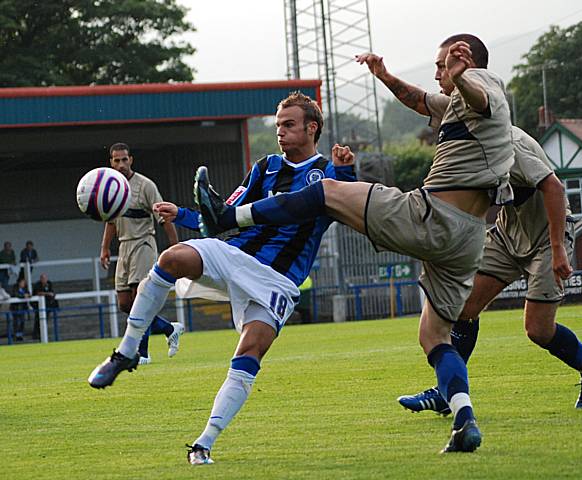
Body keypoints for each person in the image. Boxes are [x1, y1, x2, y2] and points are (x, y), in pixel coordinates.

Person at [194, 34, 515, 453]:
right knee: (435, 336)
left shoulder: (482, 83)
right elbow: (420, 100)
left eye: (442, 65)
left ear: (466, 61)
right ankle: (464, 419)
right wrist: (383, 75)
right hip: (467, 240)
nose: (438, 73)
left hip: (432, 215)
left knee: (326, 191)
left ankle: (228, 216)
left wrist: (463, 75)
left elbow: (481, 97)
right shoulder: (455, 105)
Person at [88, 92, 357, 465]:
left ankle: (203, 444)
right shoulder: (265, 167)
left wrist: (346, 172)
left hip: (278, 281)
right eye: (278, 124)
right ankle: (126, 352)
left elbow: (348, 204)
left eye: (288, 124)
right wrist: (181, 213)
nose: (280, 131)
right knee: (171, 258)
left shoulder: (328, 172)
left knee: (248, 353)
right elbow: (224, 214)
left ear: (312, 128)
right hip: (236, 255)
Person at [397, 127, 582, 415]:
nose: (438, 79)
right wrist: (386, 78)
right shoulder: (470, 142)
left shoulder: (510, 144)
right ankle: (447, 392)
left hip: (548, 236)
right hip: (508, 233)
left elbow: (555, 188)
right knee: (462, 306)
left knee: (538, 330)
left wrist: (558, 247)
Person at [99, 142, 183, 364]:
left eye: (124, 159)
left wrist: (175, 247)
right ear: (111, 162)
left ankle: (142, 353)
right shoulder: (110, 187)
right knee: (124, 304)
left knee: (140, 299)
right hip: (124, 246)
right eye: (116, 160)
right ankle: (168, 328)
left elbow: (164, 216)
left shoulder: (145, 186)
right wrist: (105, 248)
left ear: (131, 160)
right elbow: (110, 222)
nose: (121, 164)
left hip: (143, 244)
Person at [32, 273, 59, 341]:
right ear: (40, 279)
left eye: (45, 278)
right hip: (38, 305)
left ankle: (42, 333)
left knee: (45, 319)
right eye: (43, 278)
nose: (44, 280)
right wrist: (47, 294)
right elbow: (38, 293)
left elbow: (52, 291)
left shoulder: (49, 283)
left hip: (47, 304)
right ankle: (36, 334)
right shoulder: (37, 285)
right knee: (38, 319)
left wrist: (52, 294)